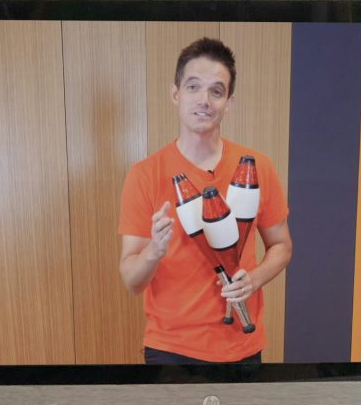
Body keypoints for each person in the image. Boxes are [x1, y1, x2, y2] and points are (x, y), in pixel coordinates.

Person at [119, 37, 293, 366]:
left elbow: (282, 245)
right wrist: (154, 250)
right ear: (176, 94)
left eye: (216, 91)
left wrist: (254, 279)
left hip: (242, 345)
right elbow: (132, 280)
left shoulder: (256, 167)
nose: (204, 100)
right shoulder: (145, 175)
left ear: (228, 103)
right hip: (170, 350)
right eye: (193, 87)